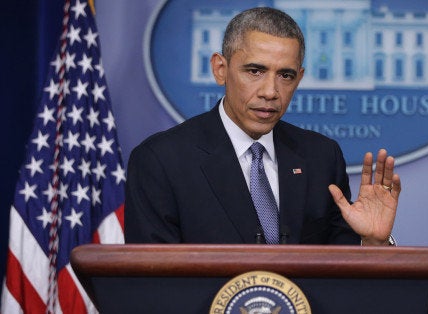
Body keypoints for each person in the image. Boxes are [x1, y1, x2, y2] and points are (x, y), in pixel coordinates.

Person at [124, 7, 401, 246]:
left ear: (299, 78)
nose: (270, 91)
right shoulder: (161, 160)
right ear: (221, 69)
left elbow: (341, 278)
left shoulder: (321, 157)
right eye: (255, 71)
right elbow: (152, 283)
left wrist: (371, 242)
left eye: (285, 75)